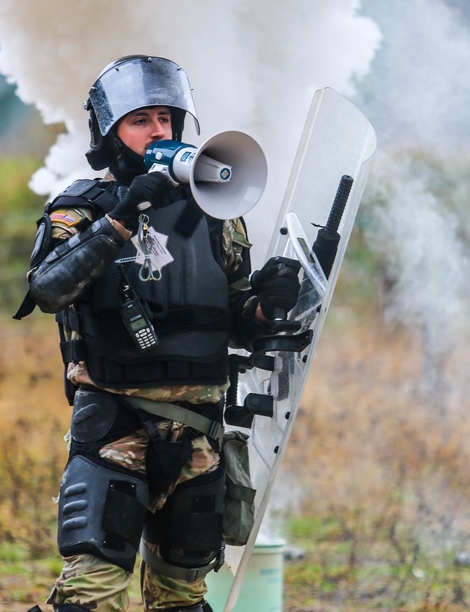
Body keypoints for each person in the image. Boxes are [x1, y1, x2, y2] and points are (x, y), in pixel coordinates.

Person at [15, 55, 301, 612]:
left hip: (199, 437)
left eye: (166, 118)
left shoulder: (216, 211)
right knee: (90, 596)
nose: (159, 131)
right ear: (110, 132)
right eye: (140, 120)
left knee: (182, 599)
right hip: (116, 429)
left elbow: (238, 315)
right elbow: (48, 290)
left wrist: (269, 306)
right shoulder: (81, 208)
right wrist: (123, 216)